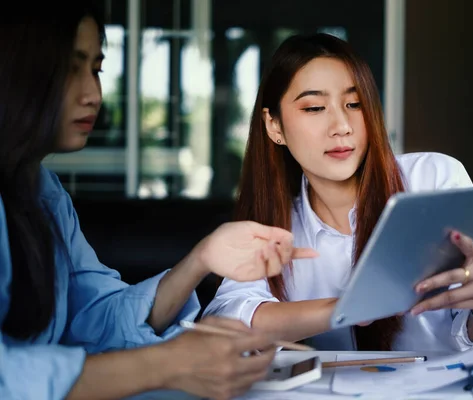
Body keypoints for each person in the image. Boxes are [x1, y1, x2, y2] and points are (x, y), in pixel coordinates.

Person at [0, 4, 317, 400]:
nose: (93, 94)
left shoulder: (43, 192)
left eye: (96, 70)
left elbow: (98, 320)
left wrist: (201, 259)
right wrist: (170, 362)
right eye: (70, 68)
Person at [203, 33, 473, 352]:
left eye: (354, 104)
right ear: (274, 126)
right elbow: (222, 322)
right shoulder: (275, 224)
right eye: (315, 108)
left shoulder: (432, 177)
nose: (342, 125)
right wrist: (348, 308)